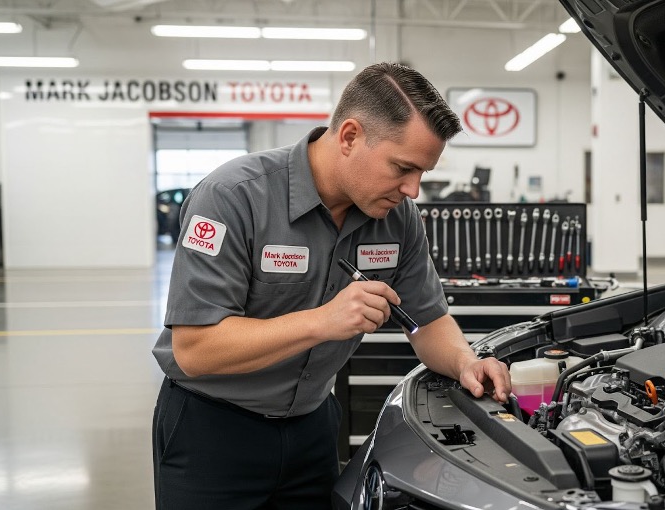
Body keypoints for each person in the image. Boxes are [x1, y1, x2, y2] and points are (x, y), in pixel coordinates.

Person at [151, 62, 512, 510]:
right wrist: (321, 322)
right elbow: (195, 349)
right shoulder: (233, 197)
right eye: (402, 167)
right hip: (213, 433)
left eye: (423, 172)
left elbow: (427, 320)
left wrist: (464, 362)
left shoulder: (397, 219)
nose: (414, 189)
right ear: (349, 137)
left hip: (312, 429)